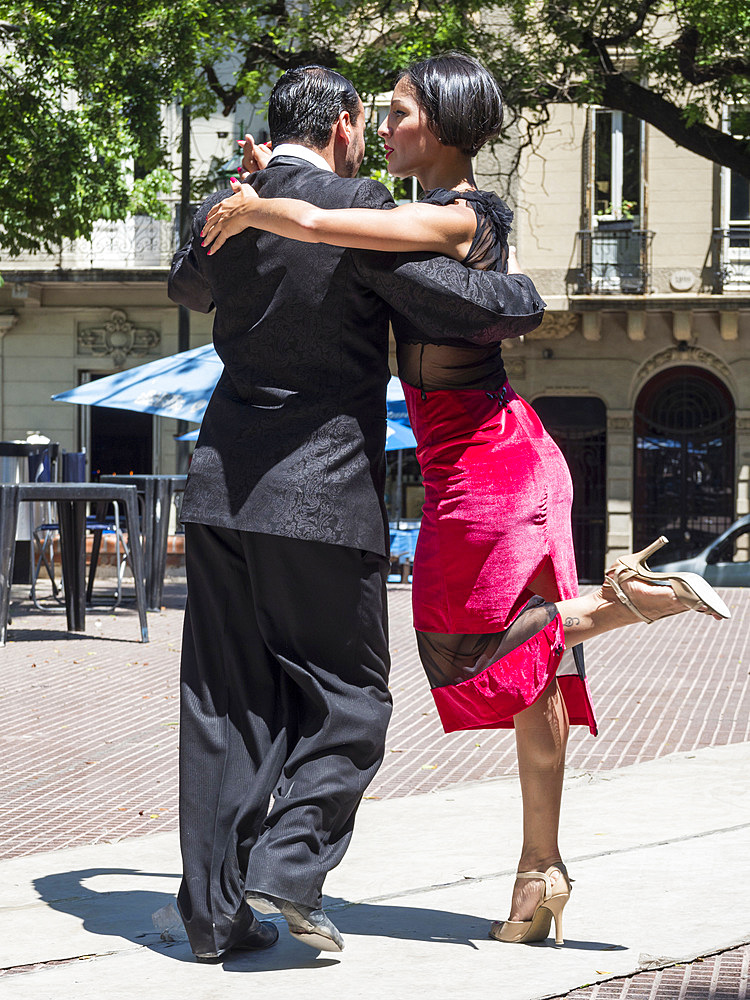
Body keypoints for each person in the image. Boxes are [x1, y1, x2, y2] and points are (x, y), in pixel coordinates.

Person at [201, 52, 731, 948]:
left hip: (491, 459)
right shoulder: (428, 211)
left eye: (400, 110)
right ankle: (541, 871)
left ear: (441, 124)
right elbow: (352, 216)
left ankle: (632, 600)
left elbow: (328, 227)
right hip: (482, 457)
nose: (385, 122)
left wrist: (257, 203)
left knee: (462, 646)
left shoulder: (458, 215)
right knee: (533, 672)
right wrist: (272, 173)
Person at [168, 64, 550, 961]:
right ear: (342, 125)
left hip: (220, 486)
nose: (377, 131)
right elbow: (473, 305)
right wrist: (520, 295)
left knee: (224, 704)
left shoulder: (236, 202)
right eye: (370, 118)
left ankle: (214, 919)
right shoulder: (363, 210)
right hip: (320, 492)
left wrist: (252, 197)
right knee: (348, 698)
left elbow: (190, 285)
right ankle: (289, 870)